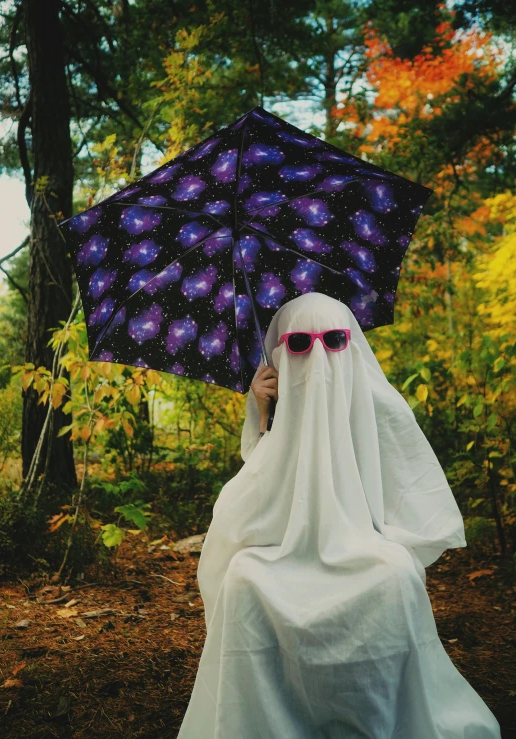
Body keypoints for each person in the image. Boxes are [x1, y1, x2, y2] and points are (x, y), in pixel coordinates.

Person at [177, 291, 502, 738]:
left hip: (360, 543)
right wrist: (264, 412)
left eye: (333, 340)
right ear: (277, 352)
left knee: (395, 574)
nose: (317, 354)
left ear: (350, 345)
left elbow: (407, 474)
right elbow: (253, 491)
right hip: (281, 552)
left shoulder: (370, 403)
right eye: (298, 344)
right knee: (242, 578)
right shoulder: (275, 411)